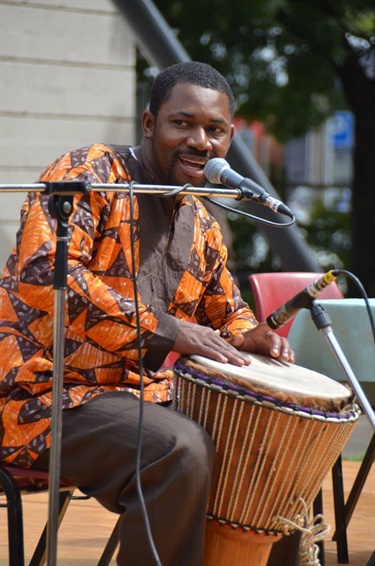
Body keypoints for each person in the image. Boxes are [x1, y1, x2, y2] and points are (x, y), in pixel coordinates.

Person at [0, 61, 295, 565]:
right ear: (148, 124)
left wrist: (252, 335)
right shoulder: (89, 172)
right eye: (183, 123)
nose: (200, 142)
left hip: (135, 399)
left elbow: (228, 312)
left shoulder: (201, 221)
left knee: (272, 446)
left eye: (215, 130)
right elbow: (47, 274)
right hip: (39, 399)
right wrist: (170, 331)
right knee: (178, 448)